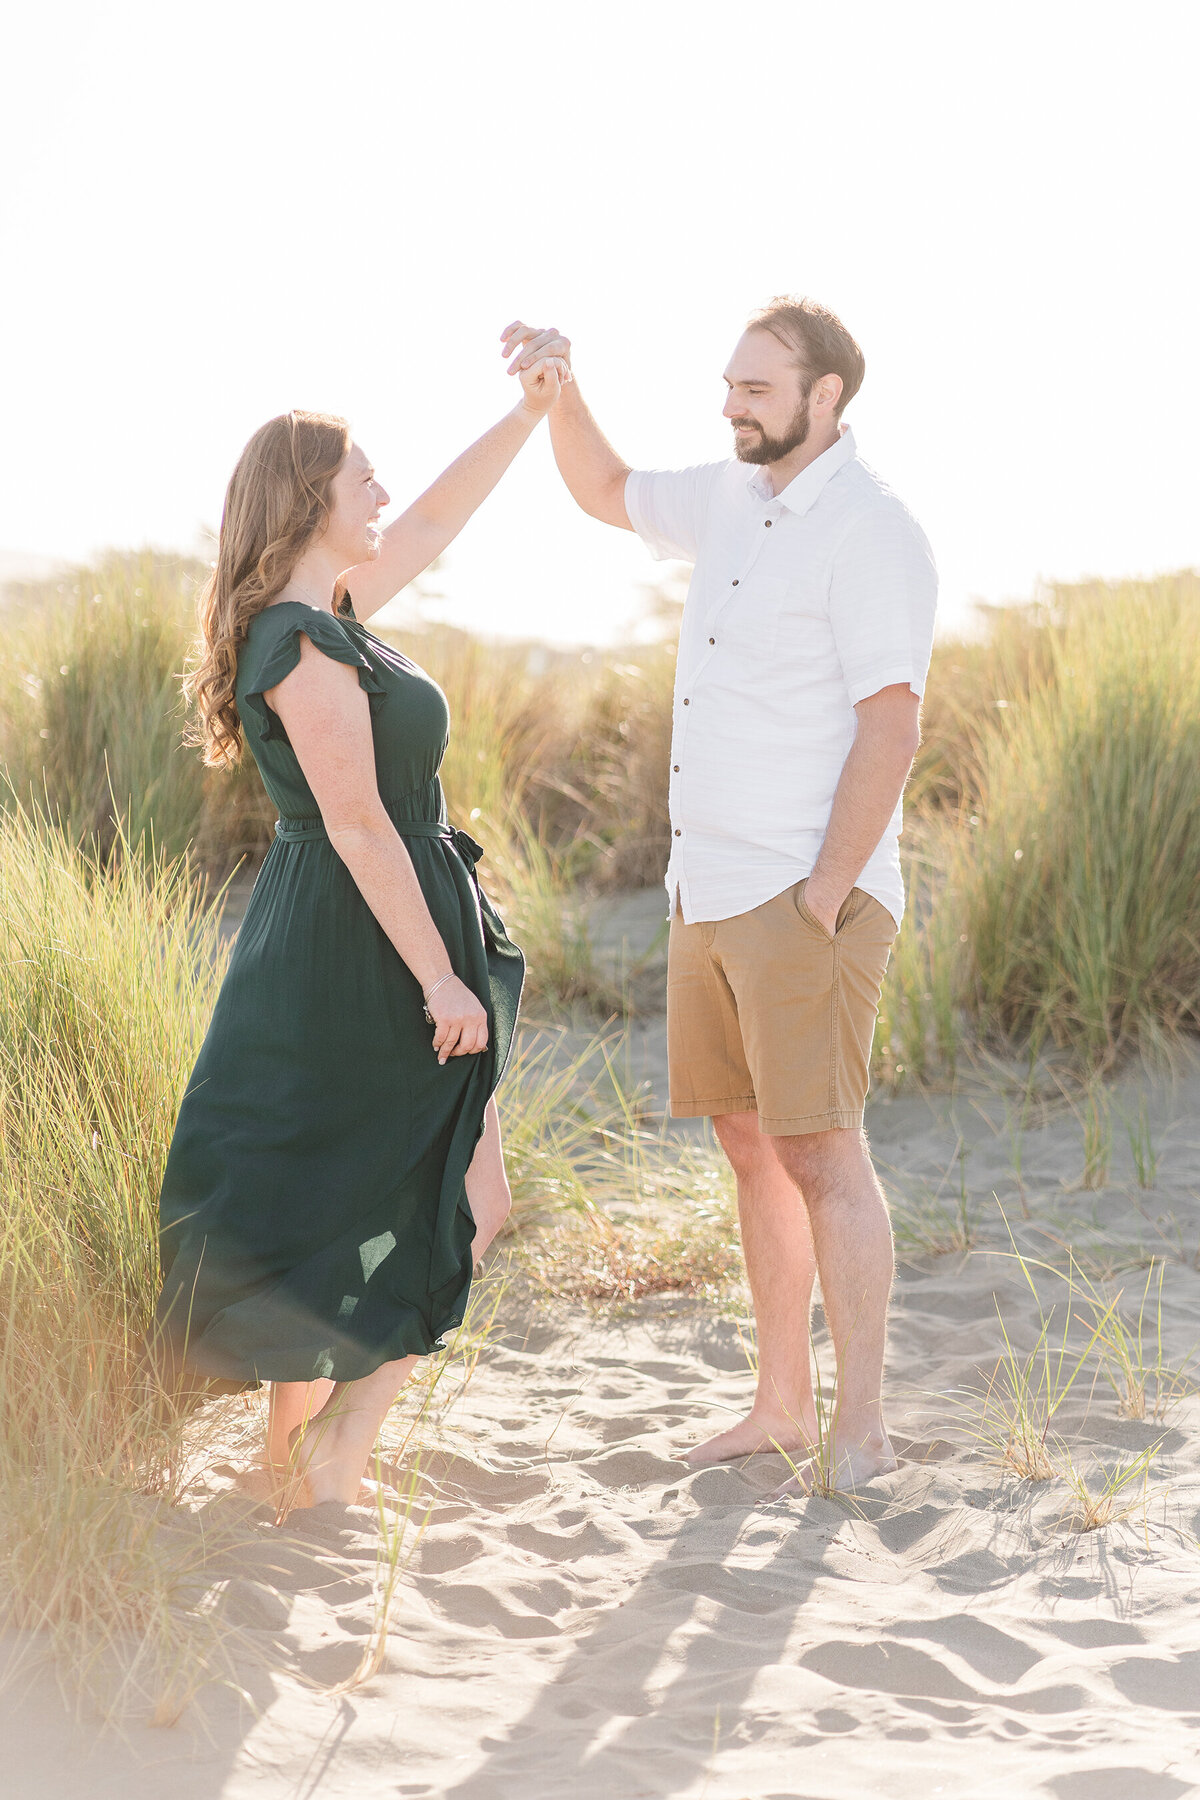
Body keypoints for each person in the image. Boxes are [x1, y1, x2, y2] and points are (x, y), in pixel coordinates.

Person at [501, 300, 936, 1492]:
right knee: (752, 1144)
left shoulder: (871, 530)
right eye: (729, 385)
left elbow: (892, 727)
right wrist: (562, 391)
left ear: (827, 397)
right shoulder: (731, 499)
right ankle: (781, 1407)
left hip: (802, 895)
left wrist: (823, 895)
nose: (733, 403)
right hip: (708, 886)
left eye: (756, 387)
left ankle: (862, 1431)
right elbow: (606, 489)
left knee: (822, 1150)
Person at [156, 351, 568, 1509]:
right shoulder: (297, 645)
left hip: (370, 931)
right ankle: (331, 1454)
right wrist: (441, 979)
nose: (385, 497)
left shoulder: (328, 618)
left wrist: (527, 416)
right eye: (364, 481)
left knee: (356, 1192)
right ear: (309, 503)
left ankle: (294, 1463)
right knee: (467, 1201)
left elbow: (438, 514)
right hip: (371, 945)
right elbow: (358, 824)